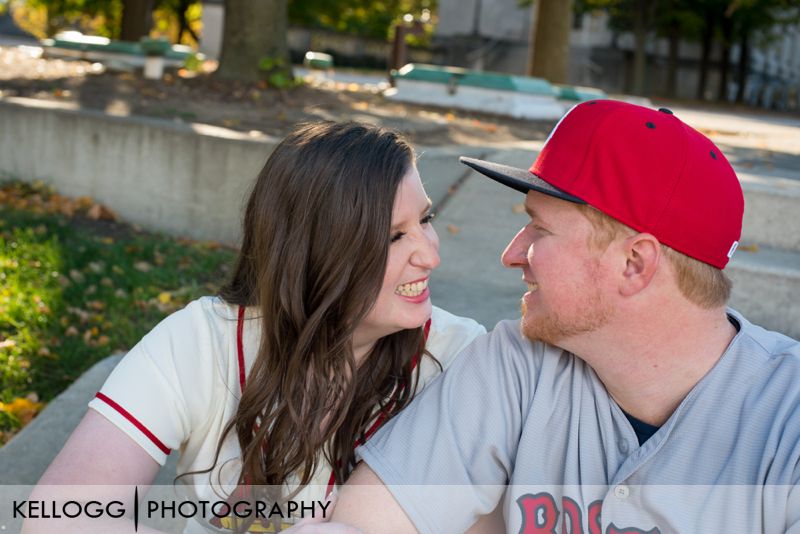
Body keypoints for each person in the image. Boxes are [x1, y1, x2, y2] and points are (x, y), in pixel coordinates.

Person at [322, 100, 800, 533]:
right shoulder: (513, 364)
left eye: (540, 228)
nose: (512, 253)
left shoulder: (787, 419)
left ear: (634, 264)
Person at [27, 121, 486, 533]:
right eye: (393, 236)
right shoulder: (203, 342)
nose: (430, 254)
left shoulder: (463, 361)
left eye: (425, 219)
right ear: (316, 252)